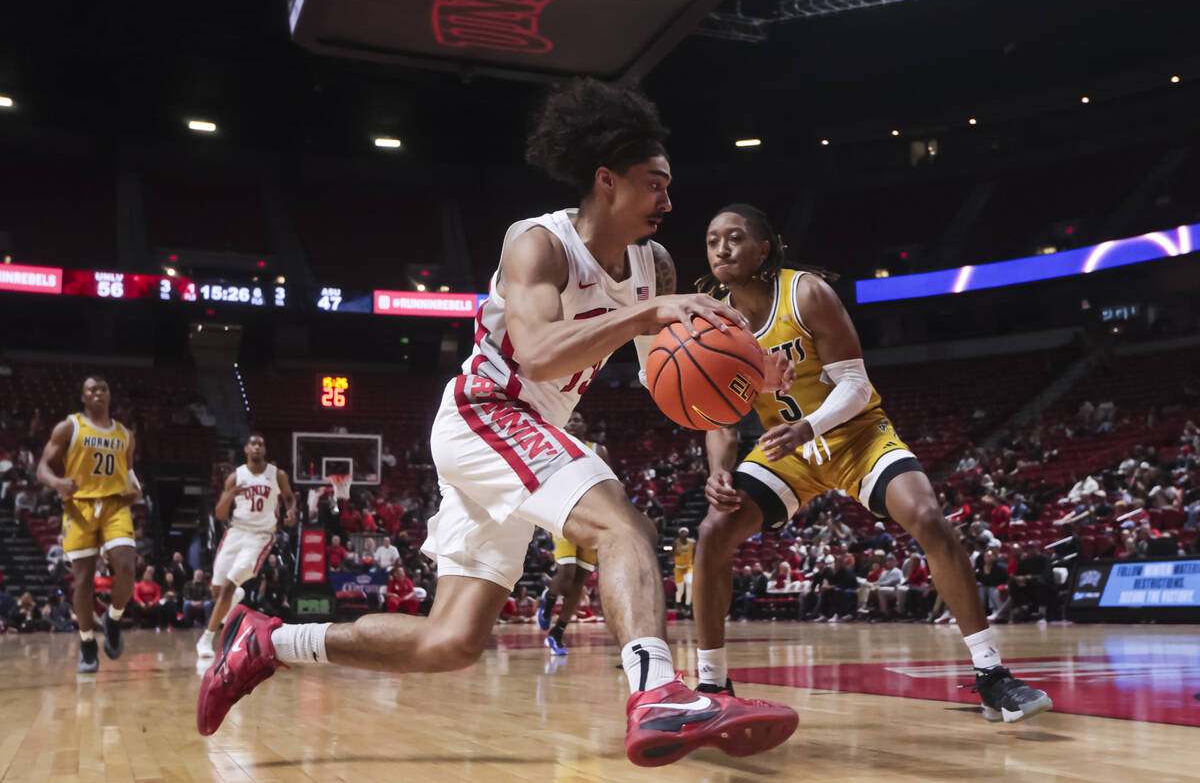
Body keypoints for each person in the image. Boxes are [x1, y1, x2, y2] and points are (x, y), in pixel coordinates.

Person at [197, 78, 798, 766]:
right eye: (654, 184)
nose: (668, 200)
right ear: (606, 181)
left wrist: (745, 382)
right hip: (488, 412)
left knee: (449, 643)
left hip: (527, 435)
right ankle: (656, 690)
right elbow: (539, 355)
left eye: (668, 186)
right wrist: (647, 315)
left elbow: (672, 372)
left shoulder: (652, 265)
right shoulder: (537, 244)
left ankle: (266, 642)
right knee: (622, 525)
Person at [691, 203, 1051, 723]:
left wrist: (808, 427)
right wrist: (718, 469)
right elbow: (721, 416)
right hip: (788, 452)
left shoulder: (806, 292)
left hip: (856, 435)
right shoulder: (717, 321)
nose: (721, 249)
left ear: (763, 247)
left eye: (734, 237)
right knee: (712, 532)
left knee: (927, 517)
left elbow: (856, 386)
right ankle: (712, 684)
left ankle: (992, 675)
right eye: (711, 240)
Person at [36, 375, 141, 672]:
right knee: (83, 580)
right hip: (79, 507)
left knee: (126, 567)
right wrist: (57, 482)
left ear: (110, 395)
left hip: (114, 505)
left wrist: (136, 486)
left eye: (104, 388)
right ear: (83, 396)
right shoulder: (69, 427)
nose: (99, 392)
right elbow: (42, 466)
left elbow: (128, 469)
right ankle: (86, 642)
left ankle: (113, 618)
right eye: (92, 389)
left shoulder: (125, 434)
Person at [195, 434, 296, 659]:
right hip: (235, 533)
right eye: (253, 443)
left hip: (260, 537)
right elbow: (220, 513)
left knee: (230, 585)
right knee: (217, 591)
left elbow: (289, 498)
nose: (257, 447)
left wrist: (291, 511)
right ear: (246, 449)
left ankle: (206, 638)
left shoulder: (277, 475)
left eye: (261, 443)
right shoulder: (235, 477)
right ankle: (230, 605)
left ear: (265, 449)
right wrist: (229, 495)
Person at [537, 410, 611, 655]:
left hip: (593, 519)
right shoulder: (555, 449)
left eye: (576, 419)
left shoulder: (598, 450)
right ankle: (549, 597)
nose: (571, 423)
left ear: (585, 426)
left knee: (580, 581)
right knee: (566, 572)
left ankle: (558, 633)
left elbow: (611, 487)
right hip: (565, 515)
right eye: (567, 419)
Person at [670, 526, 696, 618]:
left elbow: (695, 553)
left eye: (685, 532)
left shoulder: (692, 542)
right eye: (682, 532)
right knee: (680, 588)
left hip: (688, 567)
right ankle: (678, 603)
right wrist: (673, 555)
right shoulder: (675, 543)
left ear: (687, 533)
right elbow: (671, 555)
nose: (683, 534)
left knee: (689, 583)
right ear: (679, 533)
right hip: (679, 567)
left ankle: (688, 605)